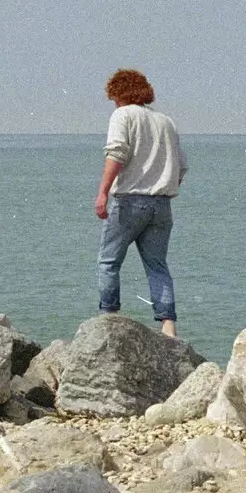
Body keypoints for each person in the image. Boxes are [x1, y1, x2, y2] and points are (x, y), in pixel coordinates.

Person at [93, 69, 187, 337]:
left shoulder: (123, 115)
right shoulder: (166, 122)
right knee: (157, 265)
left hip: (130, 201)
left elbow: (117, 153)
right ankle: (168, 326)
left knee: (109, 261)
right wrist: (163, 186)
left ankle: (109, 320)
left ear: (119, 94)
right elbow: (182, 166)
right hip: (162, 204)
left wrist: (103, 192)